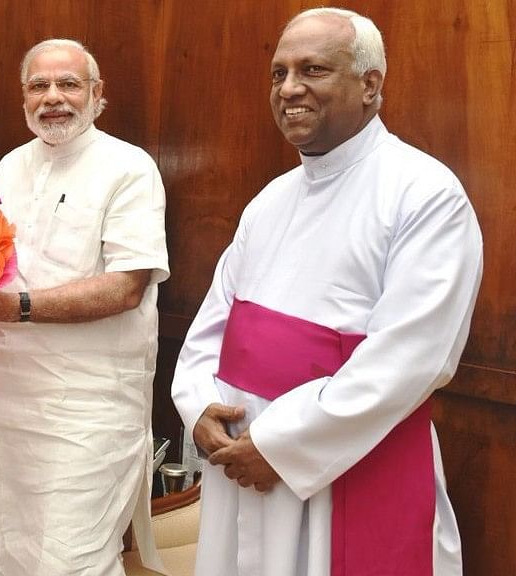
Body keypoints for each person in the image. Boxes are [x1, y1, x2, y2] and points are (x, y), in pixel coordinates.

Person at [171, 8, 482, 576]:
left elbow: (411, 357)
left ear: (370, 84)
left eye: (312, 69)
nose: (289, 89)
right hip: (242, 463)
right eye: (278, 73)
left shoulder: (426, 195)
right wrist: (197, 408)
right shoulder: (269, 201)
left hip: (342, 466)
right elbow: (212, 326)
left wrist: (283, 448)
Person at [0, 39, 169, 575]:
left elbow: (126, 287)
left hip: (86, 411)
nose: (53, 98)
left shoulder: (129, 169)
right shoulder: (8, 169)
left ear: (96, 93)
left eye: (68, 84)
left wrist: (5, 308)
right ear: (23, 97)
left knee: (67, 559)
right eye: (39, 86)